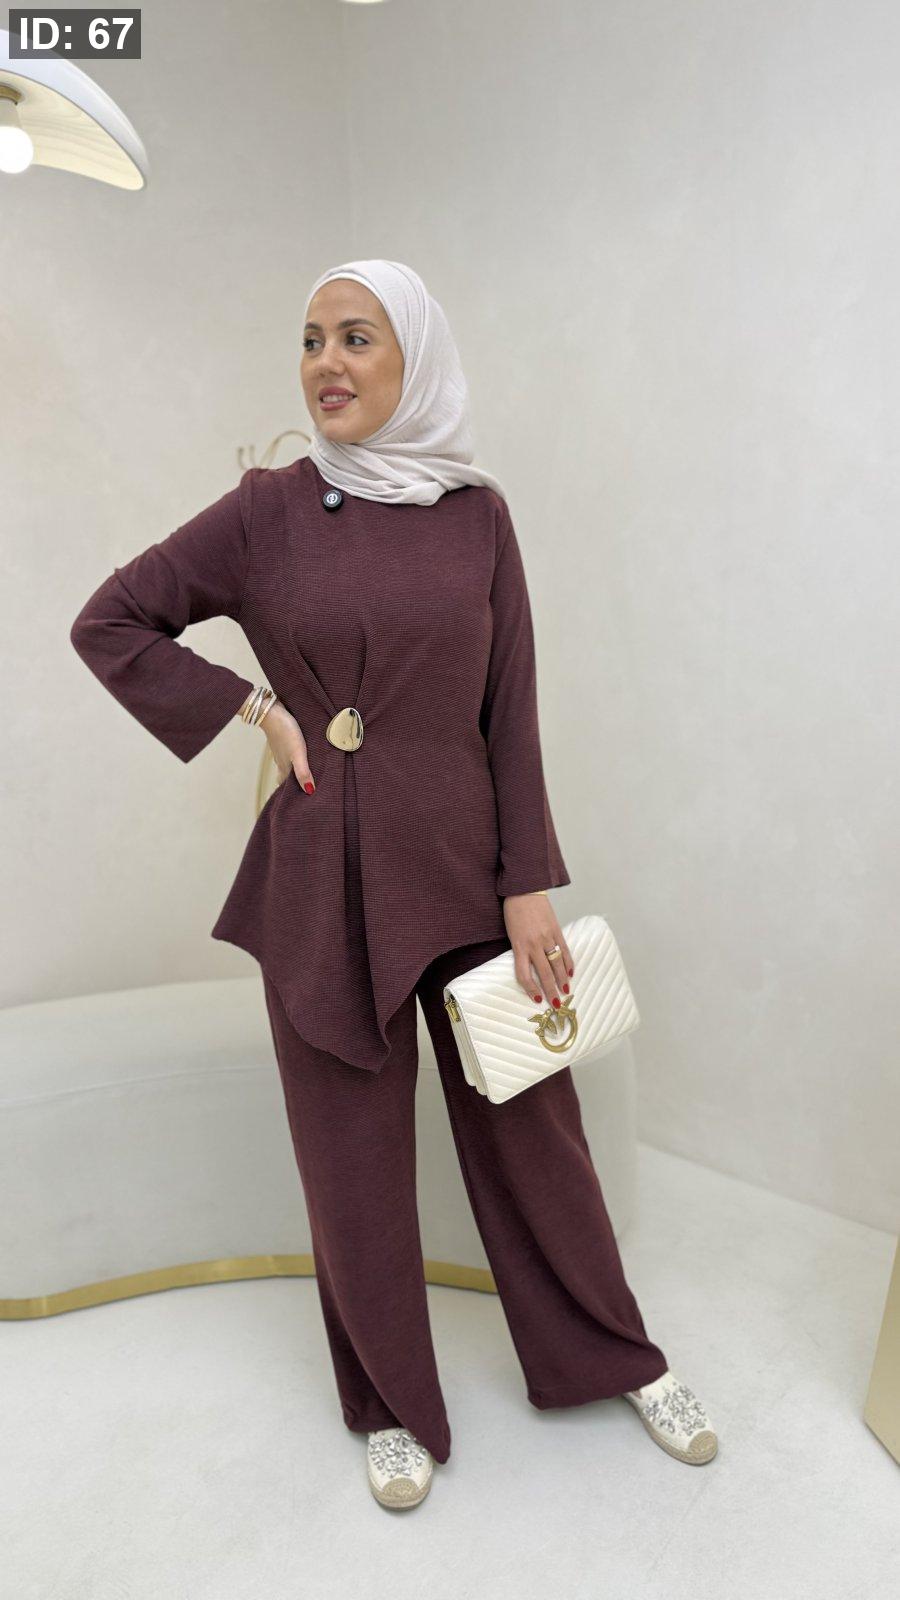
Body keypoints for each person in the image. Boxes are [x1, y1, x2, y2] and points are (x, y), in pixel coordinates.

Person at [70, 258, 718, 1511]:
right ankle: (386, 1405)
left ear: (413, 356)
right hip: (323, 878)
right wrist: (255, 708)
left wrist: (529, 883)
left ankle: (614, 1356)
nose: (326, 362)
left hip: (469, 872)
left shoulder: (478, 515)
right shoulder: (264, 509)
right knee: (351, 1158)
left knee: (537, 1136)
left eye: (356, 337)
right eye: (311, 338)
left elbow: (510, 710)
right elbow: (113, 620)